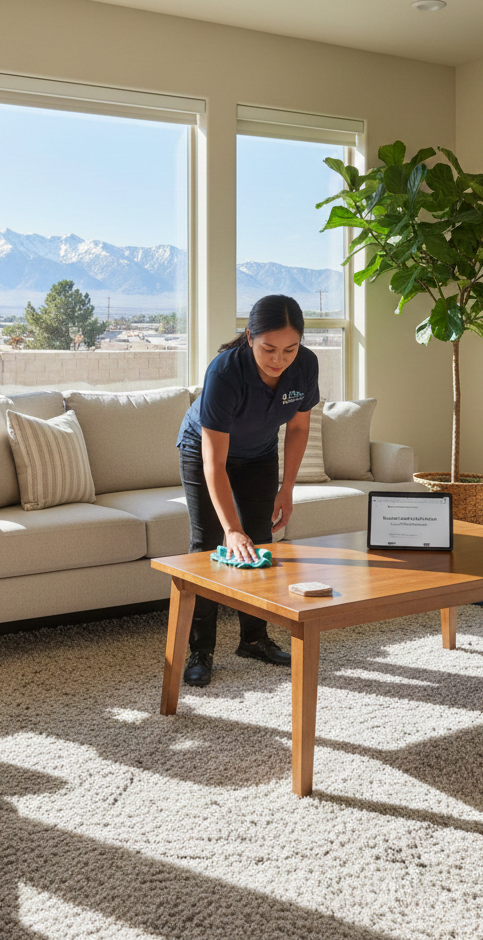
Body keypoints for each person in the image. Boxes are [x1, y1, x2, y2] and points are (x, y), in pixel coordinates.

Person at [175, 294, 319, 686]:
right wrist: (231, 529)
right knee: (207, 547)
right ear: (250, 336)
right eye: (268, 349)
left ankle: (254, 639)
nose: (279, 360)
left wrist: (287, 489)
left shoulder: (306, 365)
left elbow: (299, 427)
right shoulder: (225, 371)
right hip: (203, 451)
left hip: (259, 454)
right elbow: (214, 462)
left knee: (260, 541)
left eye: (290, 349)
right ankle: (200, 649)